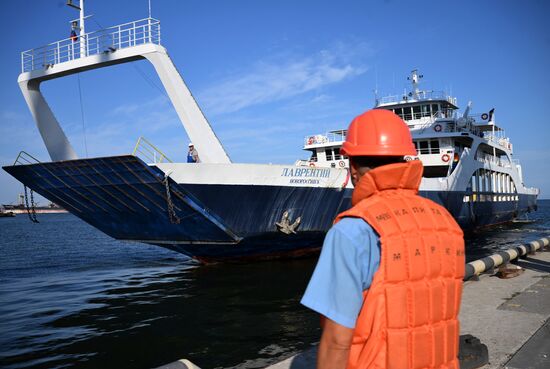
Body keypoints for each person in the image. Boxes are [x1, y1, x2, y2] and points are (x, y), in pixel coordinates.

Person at [301, 109, 465, 369]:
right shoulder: (446, 221)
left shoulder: (351, 230)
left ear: (353, 168)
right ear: (404, 158)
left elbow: (336, 342)